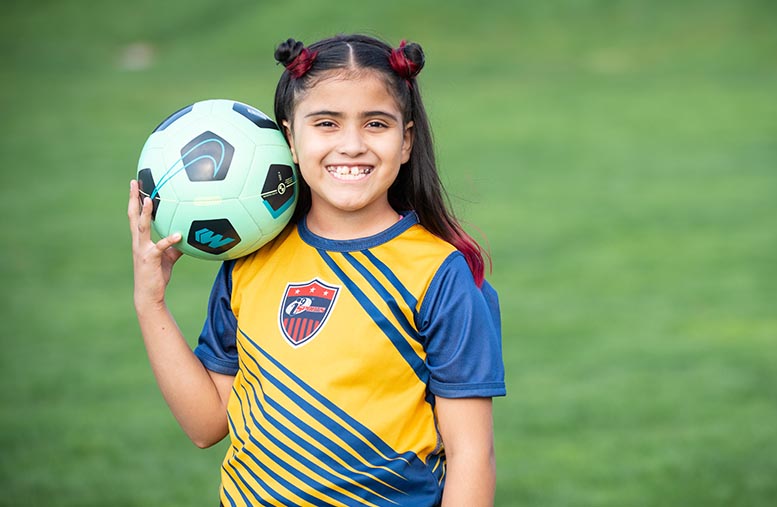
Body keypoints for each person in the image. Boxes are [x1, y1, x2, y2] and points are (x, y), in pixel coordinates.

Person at [127, 34, 506, 506]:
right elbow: (207, 426)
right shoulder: (250, 260)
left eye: (376, 124)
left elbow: (472, 455)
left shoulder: (440, 273)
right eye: (326, 123)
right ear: (289, 137)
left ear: (406, 141)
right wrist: (151, 300)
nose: (351, 145)